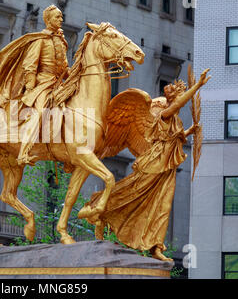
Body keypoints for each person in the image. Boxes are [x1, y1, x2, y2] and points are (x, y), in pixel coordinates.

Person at [78, 70, 210, 261]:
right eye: (179, 97)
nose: (180, 101)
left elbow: (176, 138)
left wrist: (190, 131)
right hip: (154, 164)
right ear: (172, 100)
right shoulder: (165, 114)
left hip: (168, 169)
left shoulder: (176, 121)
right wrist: (197, 86)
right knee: (130, 193)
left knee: (161, 207)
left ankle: (155, 246)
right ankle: (99, 210)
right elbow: (177, 107)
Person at [0, 5, 69, 165]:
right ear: (48, 20)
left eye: (61, 17)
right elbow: (30, 65)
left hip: (58, 86)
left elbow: (63, 69)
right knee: (39, 113)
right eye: (57, 17)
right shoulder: (40, 40)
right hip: (42, 85)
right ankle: (24, 151)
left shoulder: (62, 41)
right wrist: (30, 88)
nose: (61, 19)